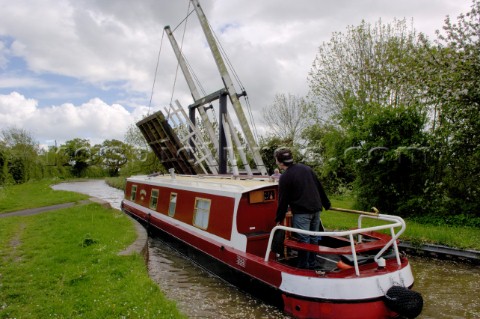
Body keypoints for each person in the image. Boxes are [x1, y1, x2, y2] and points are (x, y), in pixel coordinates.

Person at [274, 147, 331, 269]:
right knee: (314, 237)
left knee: (304, 240)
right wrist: (326, 204)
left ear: (279, 162)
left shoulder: (285, 177)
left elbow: (283, 200)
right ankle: (313, 262)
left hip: (302, 213)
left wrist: (279, 218)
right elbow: (319, 187)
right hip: (316, 209)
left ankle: (303, 266)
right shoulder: (306, 169)